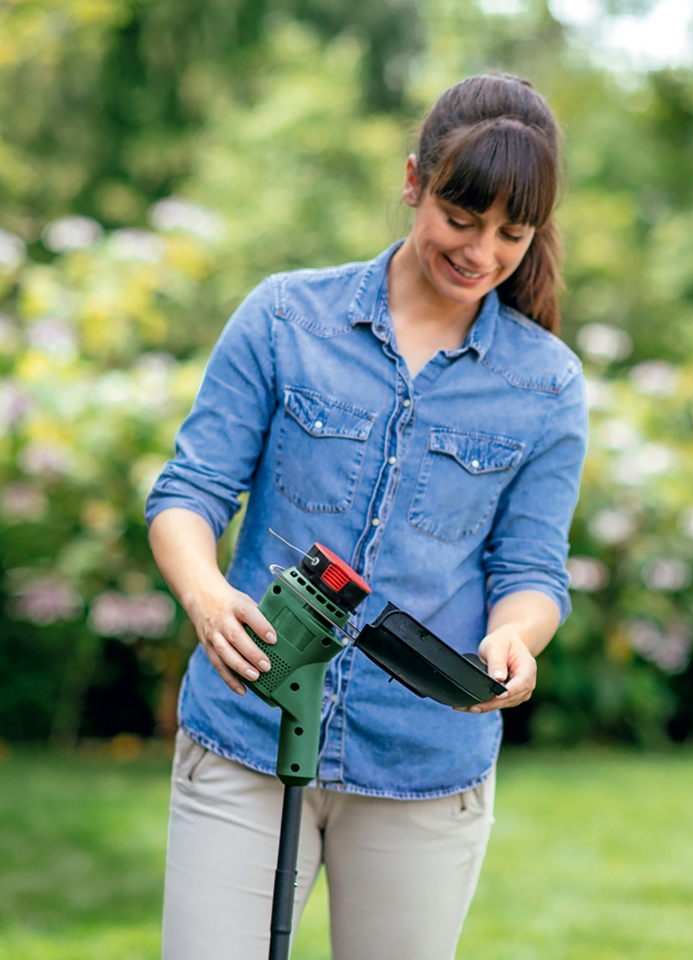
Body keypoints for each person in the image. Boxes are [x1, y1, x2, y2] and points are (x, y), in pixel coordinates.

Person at [146, 72, 588, 960]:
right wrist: (203, 594)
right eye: (462, 219)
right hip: (248, 734)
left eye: (513, 232)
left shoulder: (546, 384)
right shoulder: (284, 319)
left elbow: (532, 569)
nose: (482, 252)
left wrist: (516, 640)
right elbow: (189, 492)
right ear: (415, 181)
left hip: (424, 763)